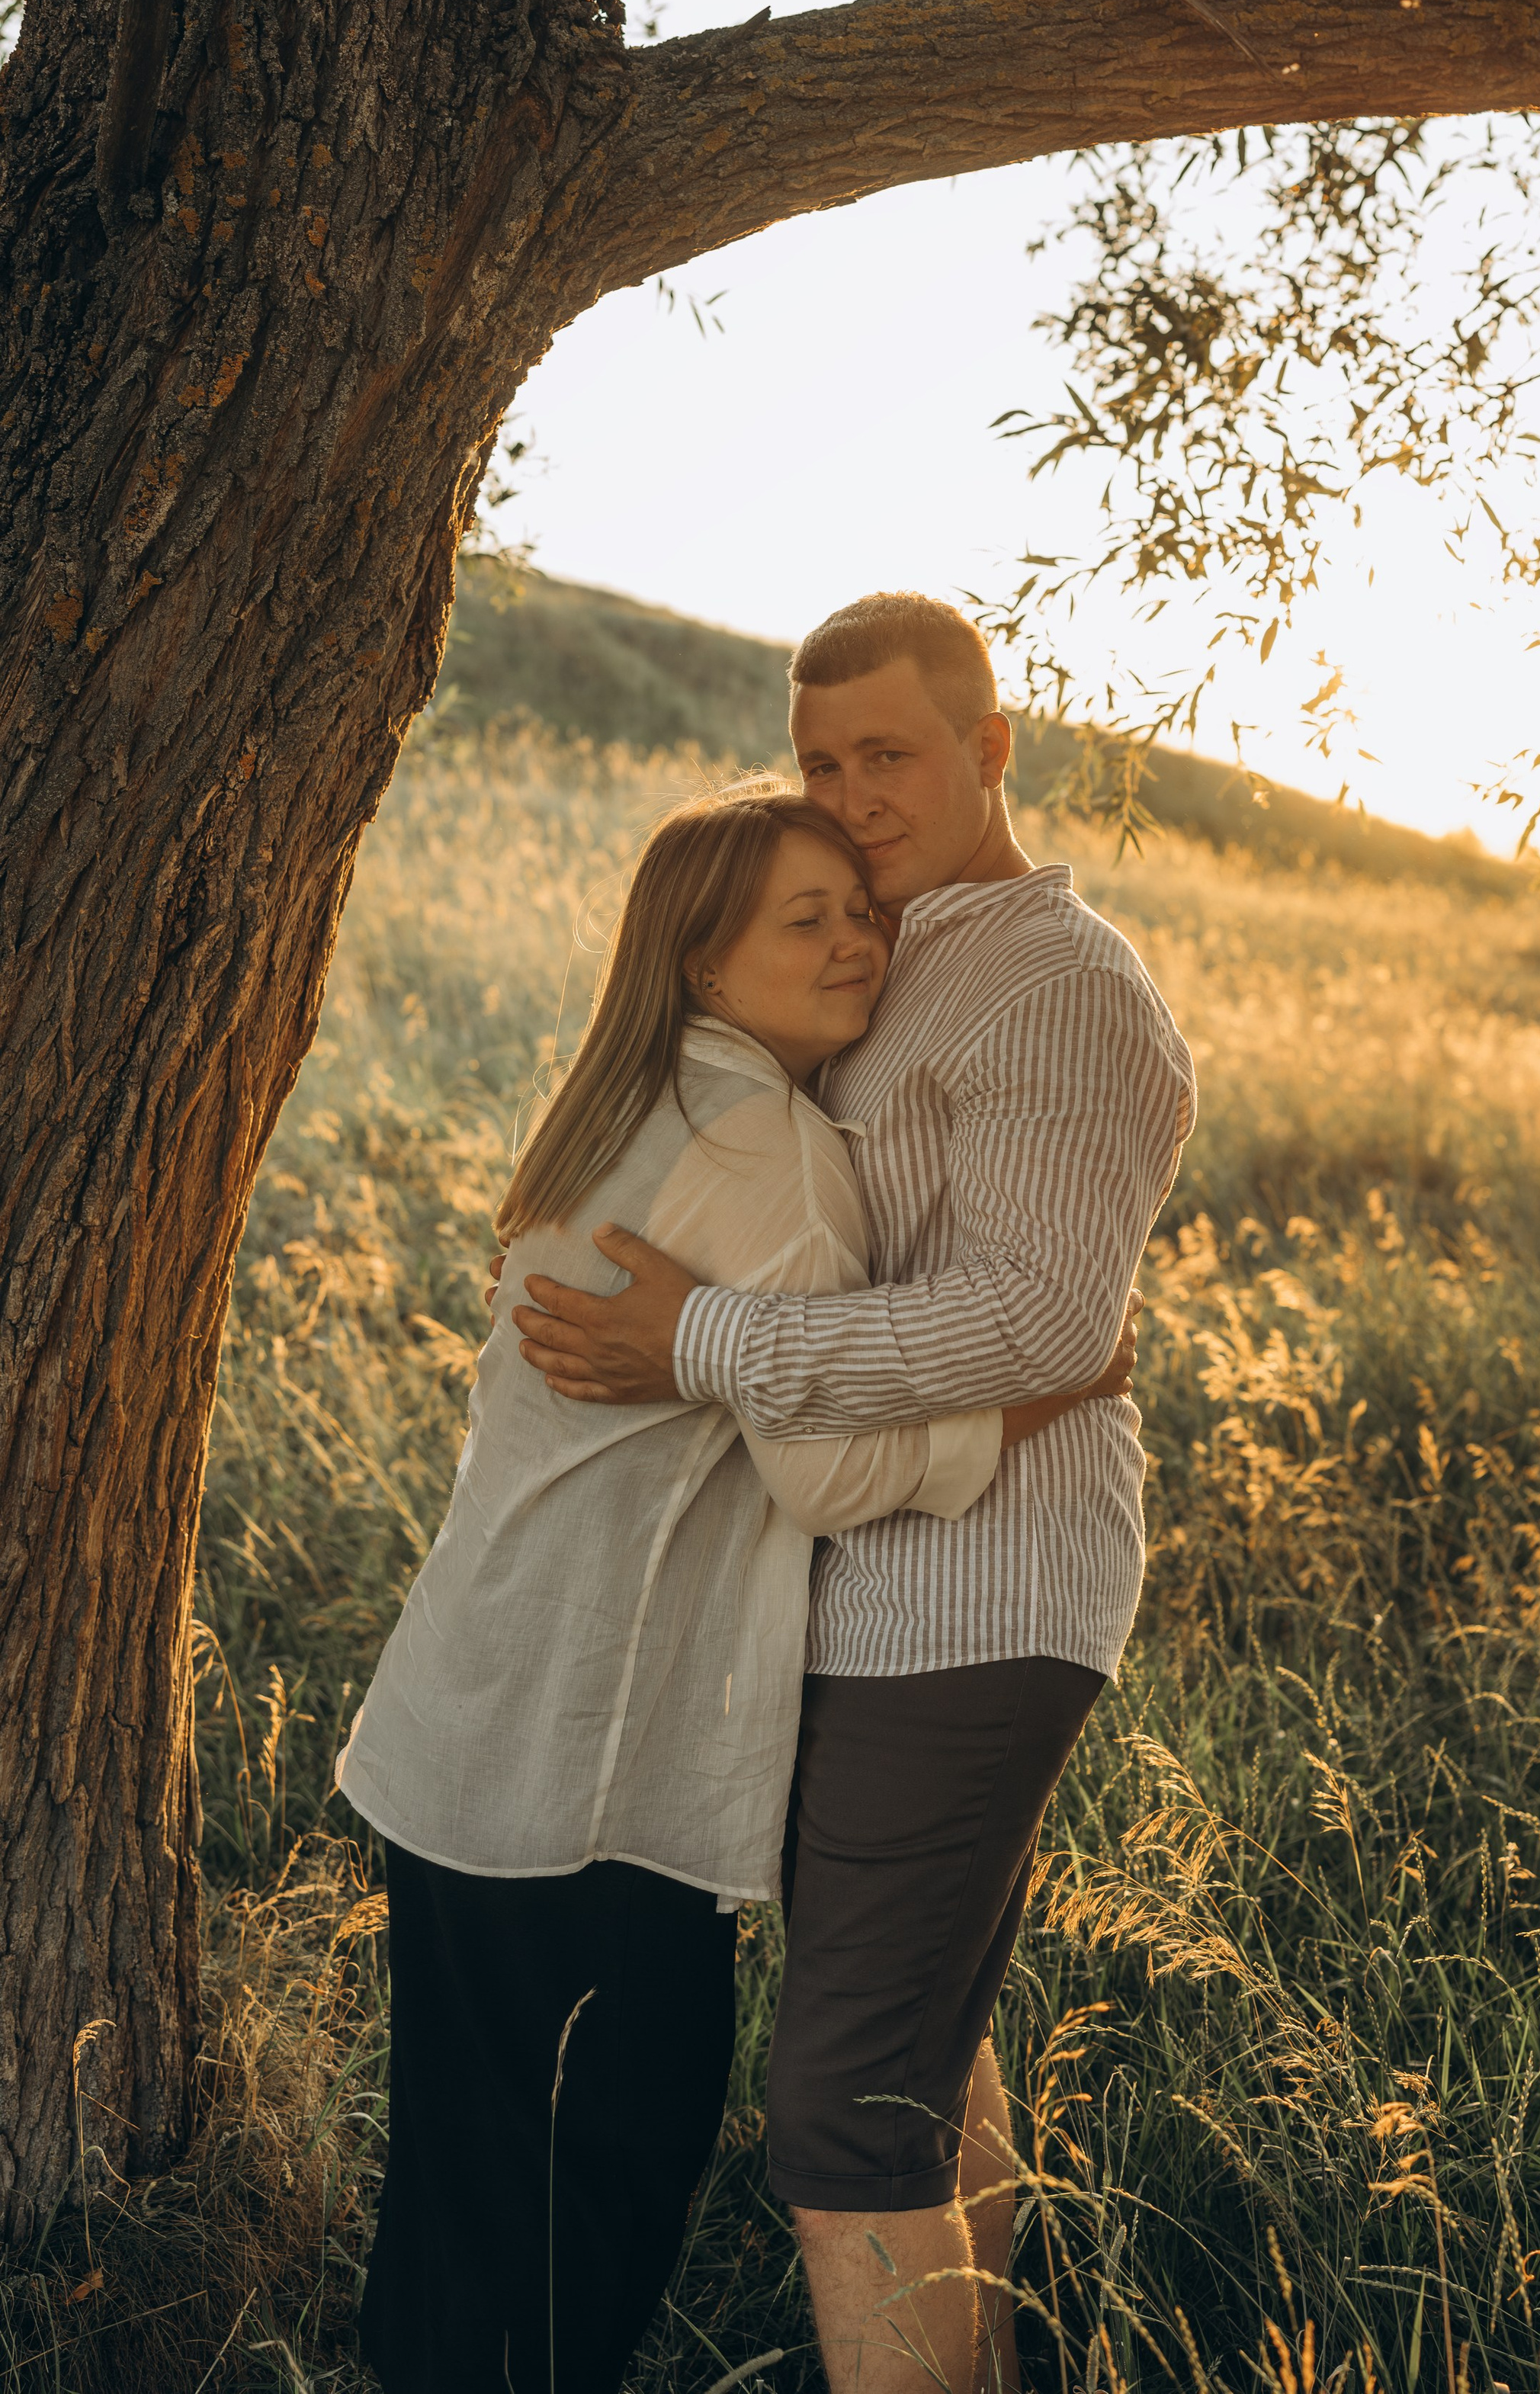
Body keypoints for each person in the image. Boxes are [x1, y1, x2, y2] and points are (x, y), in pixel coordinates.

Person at [338, 779, 1130, 2394]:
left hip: (454, 1735)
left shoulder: (627, 1104)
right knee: (590, 2206)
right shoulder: (768, 1145)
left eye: (863, 909)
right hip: (583, 1778)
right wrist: (1049, 1384)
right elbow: (830, 1476)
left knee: (461, 2192)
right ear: (706, 967)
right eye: (804, 919)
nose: (856, 942)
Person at [511, 594, 1197, 2394]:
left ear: (990, 750)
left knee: (835, 2116)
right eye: (820, 760)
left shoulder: (1055, 981)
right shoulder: (888, 957)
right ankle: (1015, 2350)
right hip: (853, 1585)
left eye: (886, 756)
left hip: (974, 1601)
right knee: (916, 2043)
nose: (848, 795)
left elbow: (1047, 1312)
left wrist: (708, 1339)